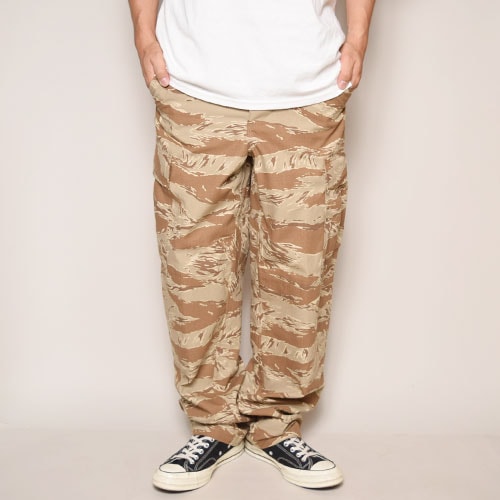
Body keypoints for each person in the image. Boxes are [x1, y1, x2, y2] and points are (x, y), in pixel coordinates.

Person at [128, 0, 375, 492]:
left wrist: (358, 38)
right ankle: (212, 425)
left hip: (307, 89)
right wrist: (144, 35)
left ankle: (276, 425)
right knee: (193, 266)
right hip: (193, 87)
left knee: (300, 266)